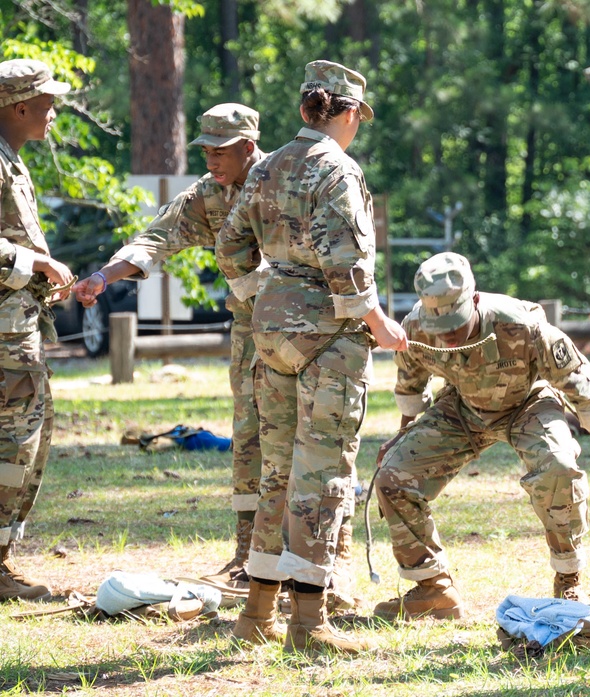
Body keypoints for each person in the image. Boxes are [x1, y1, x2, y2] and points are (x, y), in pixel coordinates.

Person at [216, 60, 406, 654]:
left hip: (270, 330)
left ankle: (255, 615)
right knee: (324, 473)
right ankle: (308, 622)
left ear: (304, 110)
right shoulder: (338, 169)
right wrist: (378, 322)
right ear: (348, 114)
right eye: (357, 119)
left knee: (277, 471)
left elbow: (230, 245)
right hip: (329, 334)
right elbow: (346, 262)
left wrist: (263, 296)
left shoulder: (266, 164)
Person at [371, 252, 590, 621]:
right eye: (440, 327)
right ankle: (433, 590)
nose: (446, 336)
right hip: (462, 408)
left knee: (558, 467)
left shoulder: (520, 325)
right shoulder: (416, 328)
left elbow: (577, 379)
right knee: (391, 477)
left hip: (527, 403)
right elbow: (411, 384)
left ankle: (568, 579)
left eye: (455, 325)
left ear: (474, 301)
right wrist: (402, 436)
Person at [72, 103, 269, 590]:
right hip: (249, 327)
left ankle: (300, 559)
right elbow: (156, 237)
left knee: (300, 438)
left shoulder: (285, 181)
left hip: (303, 328)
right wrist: (102, 275)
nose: (211, 161)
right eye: (205, 150)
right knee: (248, 433)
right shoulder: (209, 193)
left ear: (249, 147)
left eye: (221, 151)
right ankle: (247, 554)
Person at [0, 59, 74, 602]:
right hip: (5, 333)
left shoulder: (12, 161)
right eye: (47, 102)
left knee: (28, 437)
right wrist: (36, 266)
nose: (54, 111)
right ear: (19, 106)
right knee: (12, 442)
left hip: (18, 326)